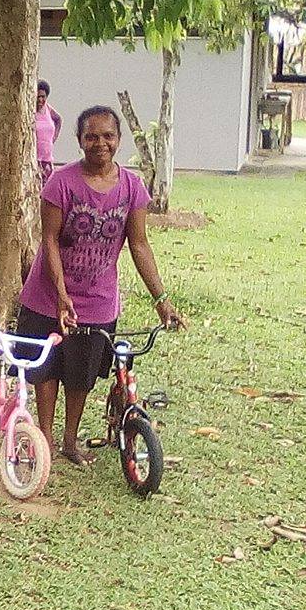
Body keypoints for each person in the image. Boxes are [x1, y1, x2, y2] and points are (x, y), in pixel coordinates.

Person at [18, 106, 185, 467]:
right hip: (48, 296)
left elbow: (139, 244)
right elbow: (48, 241)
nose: (100, 143)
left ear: (119, 140)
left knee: (81, 373)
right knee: (46, 371)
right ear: (79, 140)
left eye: (108, 136)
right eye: (91, 136)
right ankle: (43, 438)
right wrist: (61, 295)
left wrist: (162, 299)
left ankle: (69, 441)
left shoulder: (132, 187)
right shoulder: (60, 183)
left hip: (97, 301)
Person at [35, 80, 63, 183]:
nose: (40, 100)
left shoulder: (48, 109)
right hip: (35, 160)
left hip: (47, 160)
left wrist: (53, 139)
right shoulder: (30, 111)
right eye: (38, 97)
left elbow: (58, 119)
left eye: (43, 97)